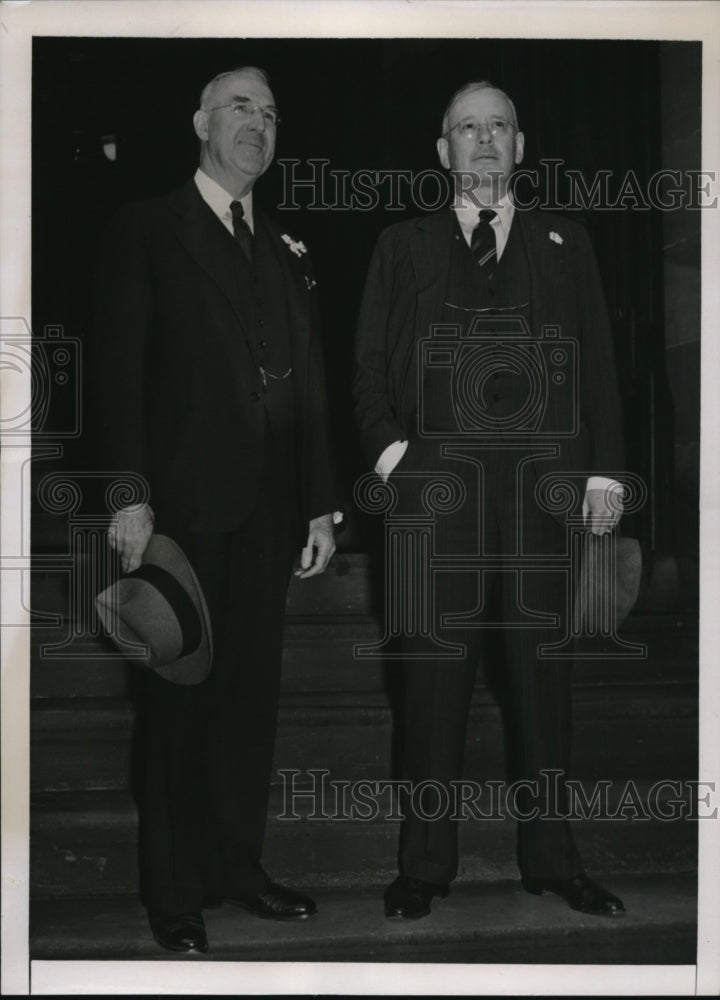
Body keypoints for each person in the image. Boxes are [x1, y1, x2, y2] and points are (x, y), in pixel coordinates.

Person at [354, 81, 627, 920]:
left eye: (496, 128)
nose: (482, 142)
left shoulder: (564, 243)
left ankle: (552, 858)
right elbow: (366, 370)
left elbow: (598, 361)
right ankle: (424, 866)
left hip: (542, 499)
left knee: (542, 688)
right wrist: (401, 461)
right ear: (443, 151)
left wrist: (604, 474)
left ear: (519, 148)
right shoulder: (401, 246)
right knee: (432, 688)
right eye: (466, 129)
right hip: (437, 505)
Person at [93, 66, 340, 953]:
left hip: (269, 516)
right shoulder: (148, 227)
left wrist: (318, 507)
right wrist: (129, 497)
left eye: (272, 113)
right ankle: (175, 892)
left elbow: (308, 387)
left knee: (247, 704)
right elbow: (120, 371)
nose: (259, 125)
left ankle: (240, 865)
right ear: (200, 122)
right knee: (177, 708)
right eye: (242, 107)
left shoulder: (283, 247)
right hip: (181, 518)